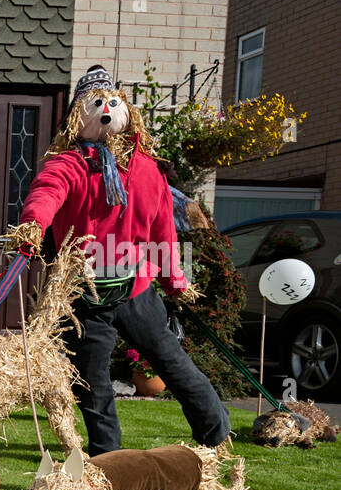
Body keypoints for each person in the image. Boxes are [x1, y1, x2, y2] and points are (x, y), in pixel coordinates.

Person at [15, 65, 230, 456]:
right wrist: (175, 282)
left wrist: (32, 227)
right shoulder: (120, 168)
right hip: (113, 290)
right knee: (164, 363)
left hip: (98, 292)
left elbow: (45, 197)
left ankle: (111, 454)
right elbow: (162, 235)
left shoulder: (90, 165)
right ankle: (212, 437)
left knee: (96, 381)